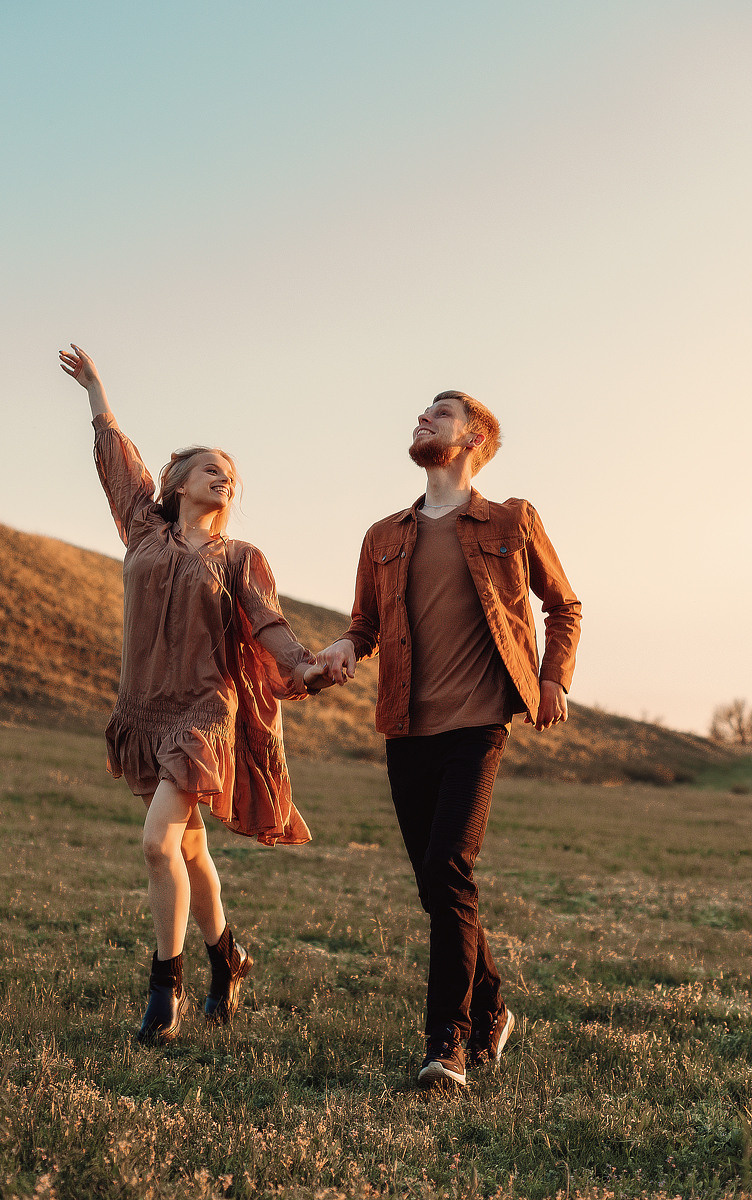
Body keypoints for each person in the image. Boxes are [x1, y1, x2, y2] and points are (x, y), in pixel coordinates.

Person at [59, 344, 334, 1045]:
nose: (225, 480)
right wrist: (96, 391)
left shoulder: (240, 559)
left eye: (233, 476)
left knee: (157, 844)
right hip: (144, 710)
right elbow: (117, 466)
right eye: (213, 468)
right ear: (177, 482)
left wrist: (302, 666)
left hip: (204, 713)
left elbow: (268, 622)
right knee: (188, 851)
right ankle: (229, 958)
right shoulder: (142, 531)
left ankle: (164, 993)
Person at [316, 390, 581, 1088]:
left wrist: (554, 679)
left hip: (478, 724)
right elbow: (365, 625)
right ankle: (491, 1007)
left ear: (472, 441)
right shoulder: (384, 535)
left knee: (450, 870)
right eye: (422, 411)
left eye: (442, 412)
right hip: (407, 728)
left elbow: (564, 604)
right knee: (439, 884)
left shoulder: (511, 520)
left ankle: (448, 1047)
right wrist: (345, 647)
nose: (423, 416)